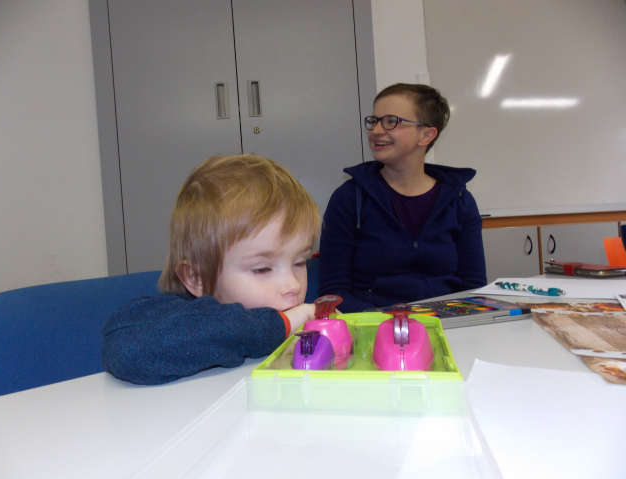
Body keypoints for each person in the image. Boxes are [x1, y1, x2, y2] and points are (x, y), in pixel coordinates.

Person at [102, 154, 320, 385]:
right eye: (262, 269)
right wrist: (280, 325)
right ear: (196, 278)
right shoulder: (168, 323)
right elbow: (126, 350)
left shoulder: (292, 314)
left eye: (299, 262)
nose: (293, 285)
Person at [319, 83, 486, 312]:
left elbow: (474, 288)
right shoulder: (349, 198)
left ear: (426, 135)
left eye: (391, 121)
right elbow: (333, 292)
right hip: (372, 325)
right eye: (374, 121)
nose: (376, 130)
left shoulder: (460, 201)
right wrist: (386, 321)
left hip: (446, 323)